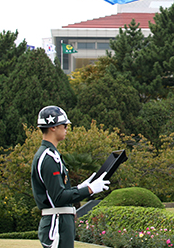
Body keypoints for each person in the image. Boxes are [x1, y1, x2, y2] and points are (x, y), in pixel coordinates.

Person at [31, 105, 110, 248]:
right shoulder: (48, 157)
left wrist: (80, 187)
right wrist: (89, 190)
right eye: (65, 125)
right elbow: (58, 197)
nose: (67, 129)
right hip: (57, 223)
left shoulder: (51, 155)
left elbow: (57, 191)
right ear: (53, 127)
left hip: (60, 221)